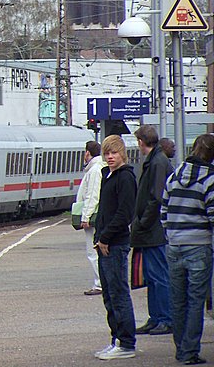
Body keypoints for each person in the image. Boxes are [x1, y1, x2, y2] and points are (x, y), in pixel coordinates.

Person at [160, 133, 214, 366]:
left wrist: (173, 234)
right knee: (195, 301)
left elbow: (163, 213)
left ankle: (180, 347)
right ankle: (189, 351)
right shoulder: (210, 180)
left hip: (174, 246)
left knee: (178, 300)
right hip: (199, 245)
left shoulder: (173, 177)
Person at [94, 134, 138, 360]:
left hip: (115, 244)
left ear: (123, 153)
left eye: (114, 152)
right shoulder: (108, 176)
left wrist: (106, 237)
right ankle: (116, 339)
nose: (110, 157)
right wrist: (99, 236)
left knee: (119, 293)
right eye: (107, 153)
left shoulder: (125, 178)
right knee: (109, 296)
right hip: (104, 243)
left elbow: (125, 213)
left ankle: (126, 343)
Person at [131, 125, 173, 336]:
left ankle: (165, 318)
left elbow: (156, 198)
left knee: (159, 275)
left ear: (141, 141)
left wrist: (141, 222)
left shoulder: (156, 162)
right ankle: (155, 317)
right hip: (150, 231)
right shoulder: (156, 160)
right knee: (151, 276)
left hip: (153, 231)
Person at [77, 140, 104, 295]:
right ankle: (101, 282)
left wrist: (85, 217)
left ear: (87, 153)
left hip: (93, 217)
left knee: (92, 251)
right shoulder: (97, 167)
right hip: (97, 215)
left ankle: (99, 284)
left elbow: (92, 195)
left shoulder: (94, 170)